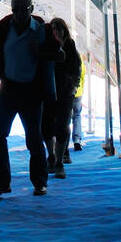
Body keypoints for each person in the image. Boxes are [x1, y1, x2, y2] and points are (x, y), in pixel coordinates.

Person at [0, 0, 64, 196]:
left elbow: (60, 55)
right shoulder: (3, 28)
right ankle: (2, 182)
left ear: (31, 10)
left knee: (34, 139)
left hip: (32, 93)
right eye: (14, 10)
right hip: (8, 90)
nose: (18, 15)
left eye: (23, 10)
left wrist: (39, 53)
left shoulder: (42, 29)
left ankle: (40, 183)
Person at [41, 18, 81, 178]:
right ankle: (51, 156)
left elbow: (76, 67)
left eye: (59, 28)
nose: (57, 32)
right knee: (46, 126)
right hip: (49, 91)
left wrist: (73, 86)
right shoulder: (47, 46)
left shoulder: (70, 46)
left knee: (63, 125)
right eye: (54, 29)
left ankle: (59, 161)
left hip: (65, 92)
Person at [71, 52, 88, 151]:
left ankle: (62, 144)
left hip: (66, 91)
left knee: (64, 118)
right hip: (78, 91)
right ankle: (77, 140)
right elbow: (82, 74)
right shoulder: (78, 56)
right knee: (77, 115)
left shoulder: (61, 55)